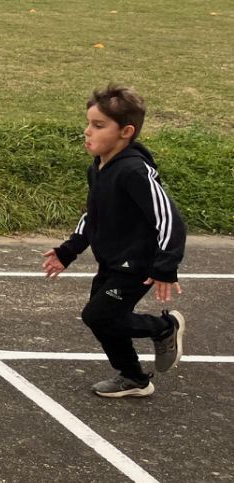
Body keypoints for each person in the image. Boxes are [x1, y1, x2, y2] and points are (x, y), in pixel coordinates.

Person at [42, 84, 187, 398]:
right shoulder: (98, 168)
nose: (87, 131)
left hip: (138, 262)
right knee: (102, 320)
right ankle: (134, 378)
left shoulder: (135, 171)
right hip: (111, 259)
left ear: (126, 131)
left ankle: (163, 329)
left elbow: (170, 219)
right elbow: (93, 215)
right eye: (88, 123)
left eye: (98, 125)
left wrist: (166, 266)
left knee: (98, 315)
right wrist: (69, 250)